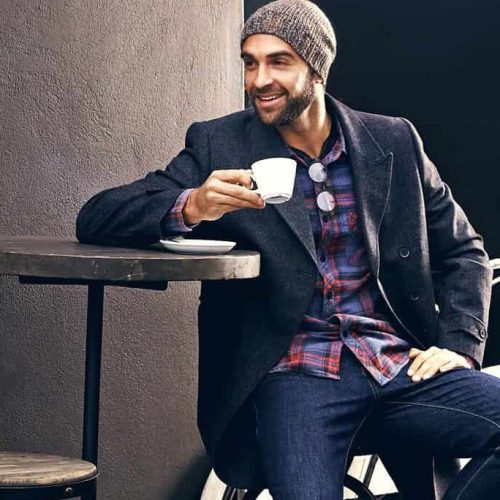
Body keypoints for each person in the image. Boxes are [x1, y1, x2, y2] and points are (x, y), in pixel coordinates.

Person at [76, 1, 498, 498]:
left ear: (317, 68)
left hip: (396, 362)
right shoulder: (219, 144)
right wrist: (191, 204)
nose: (259, 79)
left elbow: (463, 251)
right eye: (250, 62)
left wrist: (458, 347)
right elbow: (97, 215)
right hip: (296, 376)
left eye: (279, 61)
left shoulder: (394, 139)